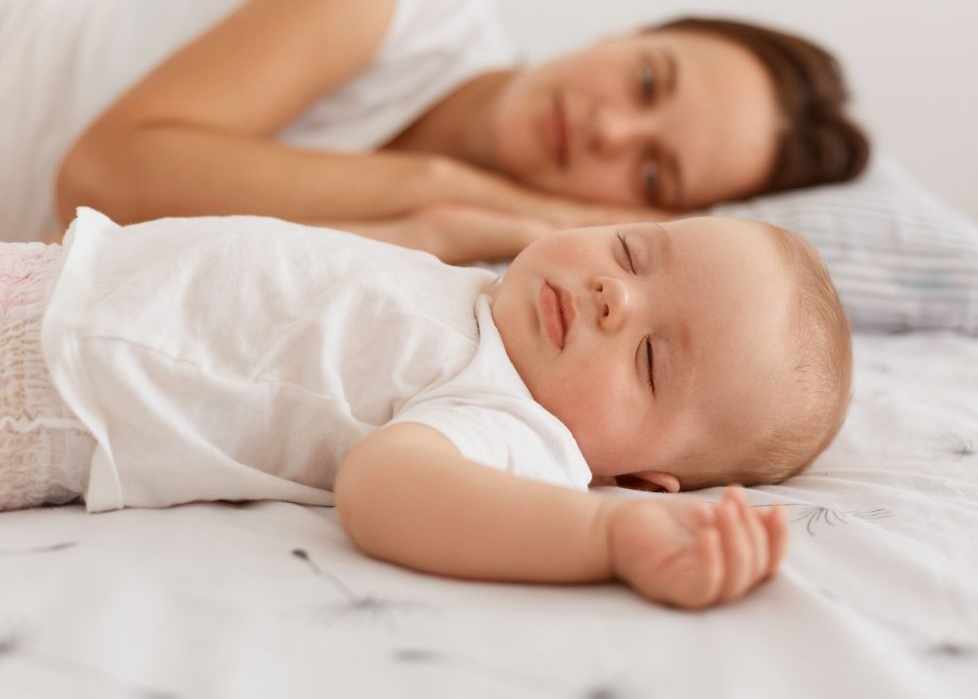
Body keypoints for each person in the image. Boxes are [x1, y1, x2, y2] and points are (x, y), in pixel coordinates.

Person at [0, 207, 852, 609]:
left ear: (636, 477)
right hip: (50, 280)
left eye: (651, 359)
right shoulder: (485, 297)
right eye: (632, 252)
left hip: (44, 383)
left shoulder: (518, 426)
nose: (613, 296)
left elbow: (386, 487)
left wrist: (606, 537)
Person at [2, 0, 868, 260]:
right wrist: (443, 187)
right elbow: (102, 177)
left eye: (652, 172)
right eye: (647, 80)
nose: (610, 129)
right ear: (624, 33)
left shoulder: (489, 265)